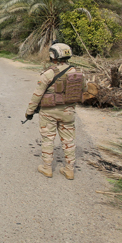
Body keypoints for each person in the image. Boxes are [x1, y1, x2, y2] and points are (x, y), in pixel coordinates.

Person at [23, 43, 84, 180]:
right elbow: (84, 90)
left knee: (48, 139)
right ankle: (69, 170)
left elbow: (37, 95)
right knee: (68, 140)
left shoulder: (48, 73)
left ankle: (47, 168)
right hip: (68, 112)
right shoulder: (77, 72)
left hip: (48, 112)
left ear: (53, 56)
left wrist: (29, 112)